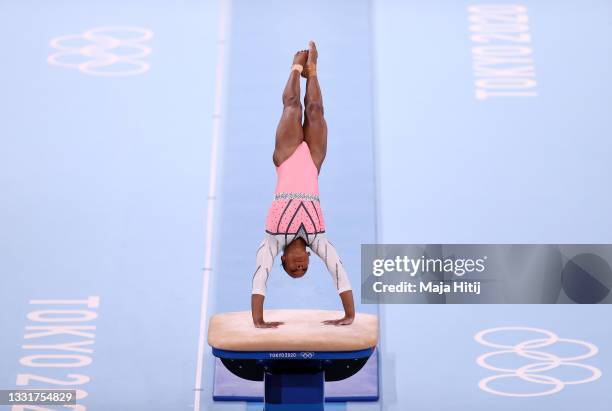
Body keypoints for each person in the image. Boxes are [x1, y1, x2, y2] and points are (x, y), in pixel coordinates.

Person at [251, 41, 355, 328]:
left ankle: (296, 68)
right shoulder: (318, 239)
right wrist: (349, 315)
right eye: (305, 268)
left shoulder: (272, 242)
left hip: (285, 159)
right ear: (309, 256)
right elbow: (338, 270)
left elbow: (260, 276)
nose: (300, 267)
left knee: (293, 106)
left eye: (294, 270)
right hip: (312, 162)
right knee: (317, 110)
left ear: (283, 261)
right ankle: (314, 71)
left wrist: (259, 320)